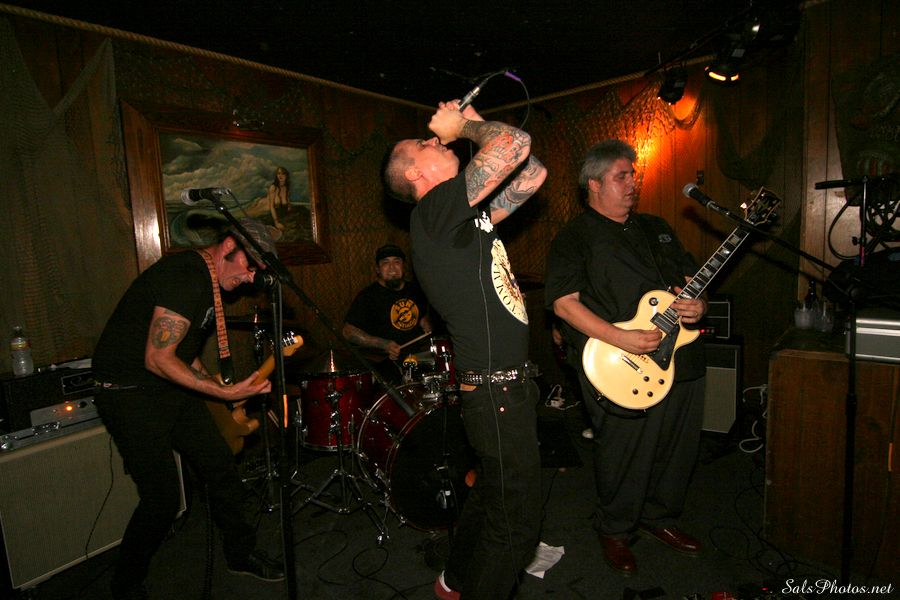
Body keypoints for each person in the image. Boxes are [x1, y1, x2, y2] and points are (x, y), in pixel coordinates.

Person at [384, 99, 547, 600]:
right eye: (425, 143)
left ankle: (453, 579)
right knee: (517, 524)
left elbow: (532, 172)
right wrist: (465, 127)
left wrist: (471, 122)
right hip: (497, 392)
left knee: (495, 496)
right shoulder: (433, 211)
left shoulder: (461, 217)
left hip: (502, 388)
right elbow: (514, 143)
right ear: (414, 173)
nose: (436, 140)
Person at [92, 218, 285, 600]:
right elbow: (158, 357)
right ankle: (125, 586)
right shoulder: (185, 277)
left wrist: (220, 390)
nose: (250, 278)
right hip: (129, 395)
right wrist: (224, 393)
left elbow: (184, 351)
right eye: (249, 266)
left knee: (220, 465)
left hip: (166, 389)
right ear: (228, 246)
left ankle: (240, 553)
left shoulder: (209, 283)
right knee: (162, 499)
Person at [544, 139, 707, 576]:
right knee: (624, 449)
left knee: (677, 445)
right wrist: (621, 337)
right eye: (622, 176)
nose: (633, 183)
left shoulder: (657, 227)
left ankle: (659, 516)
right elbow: (563, 304)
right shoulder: (574, 237)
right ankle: (614, 529)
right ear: (594, 184)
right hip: (617, 363)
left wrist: (699, 305)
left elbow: (689, 280)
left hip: (681, 355)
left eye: (633, 175)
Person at [342, 243, 433, 383]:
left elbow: (422, 316)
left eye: (397, 262)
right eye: (385, 263)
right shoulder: (368, 296)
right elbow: (348, 332)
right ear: (377, 269)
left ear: (403, 266)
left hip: (417, 359)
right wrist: (382, 344)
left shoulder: (416, 290)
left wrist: (425, 322)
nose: (392, 268)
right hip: (386, 365)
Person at [268, 166, 290, 231]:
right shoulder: (273, 188)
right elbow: (271, 207)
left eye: (283, 174)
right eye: (278, 173)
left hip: (284, 217)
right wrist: (276, 223)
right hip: (274, 218)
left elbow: (288, 203)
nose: (280, 176)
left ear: (286, 176)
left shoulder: (286, 187)